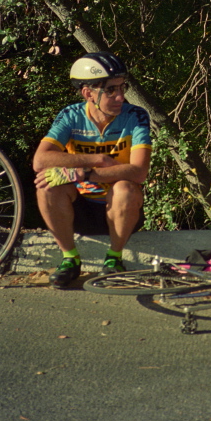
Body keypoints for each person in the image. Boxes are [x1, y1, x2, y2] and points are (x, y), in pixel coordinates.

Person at [33, 52, 152, 289]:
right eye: (111, 90)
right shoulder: (70, 115)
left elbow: (139, 172)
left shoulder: (136, 116)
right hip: (79, 211)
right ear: (88, 93)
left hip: (121, 210)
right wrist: (98, 159)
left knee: (125, 188)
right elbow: (40, 160)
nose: (120, 96)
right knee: (46, 185)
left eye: (122, 87)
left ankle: (114, 259)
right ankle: (70, 259)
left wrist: (84, 173)